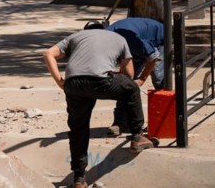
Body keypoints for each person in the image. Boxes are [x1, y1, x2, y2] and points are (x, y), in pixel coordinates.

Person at [43, 24, 154, 188]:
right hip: (102, 81)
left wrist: (60, 82)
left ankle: (79, 179)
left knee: (78, 128)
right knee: (131, 88)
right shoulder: (118, 38)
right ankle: (137, 136)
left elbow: (48, 53)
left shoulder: (76, 36)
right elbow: (129, 74)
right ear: (105, 29)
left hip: (74, 84)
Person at [105, 17, 165, 136]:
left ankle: (159, 121)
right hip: (135, 43)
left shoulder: (131, 40)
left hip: (157, 39)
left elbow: (152, 58)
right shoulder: (105, 39)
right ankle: (120, 122)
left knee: (159, 80)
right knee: (124, 82)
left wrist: (142, 78)